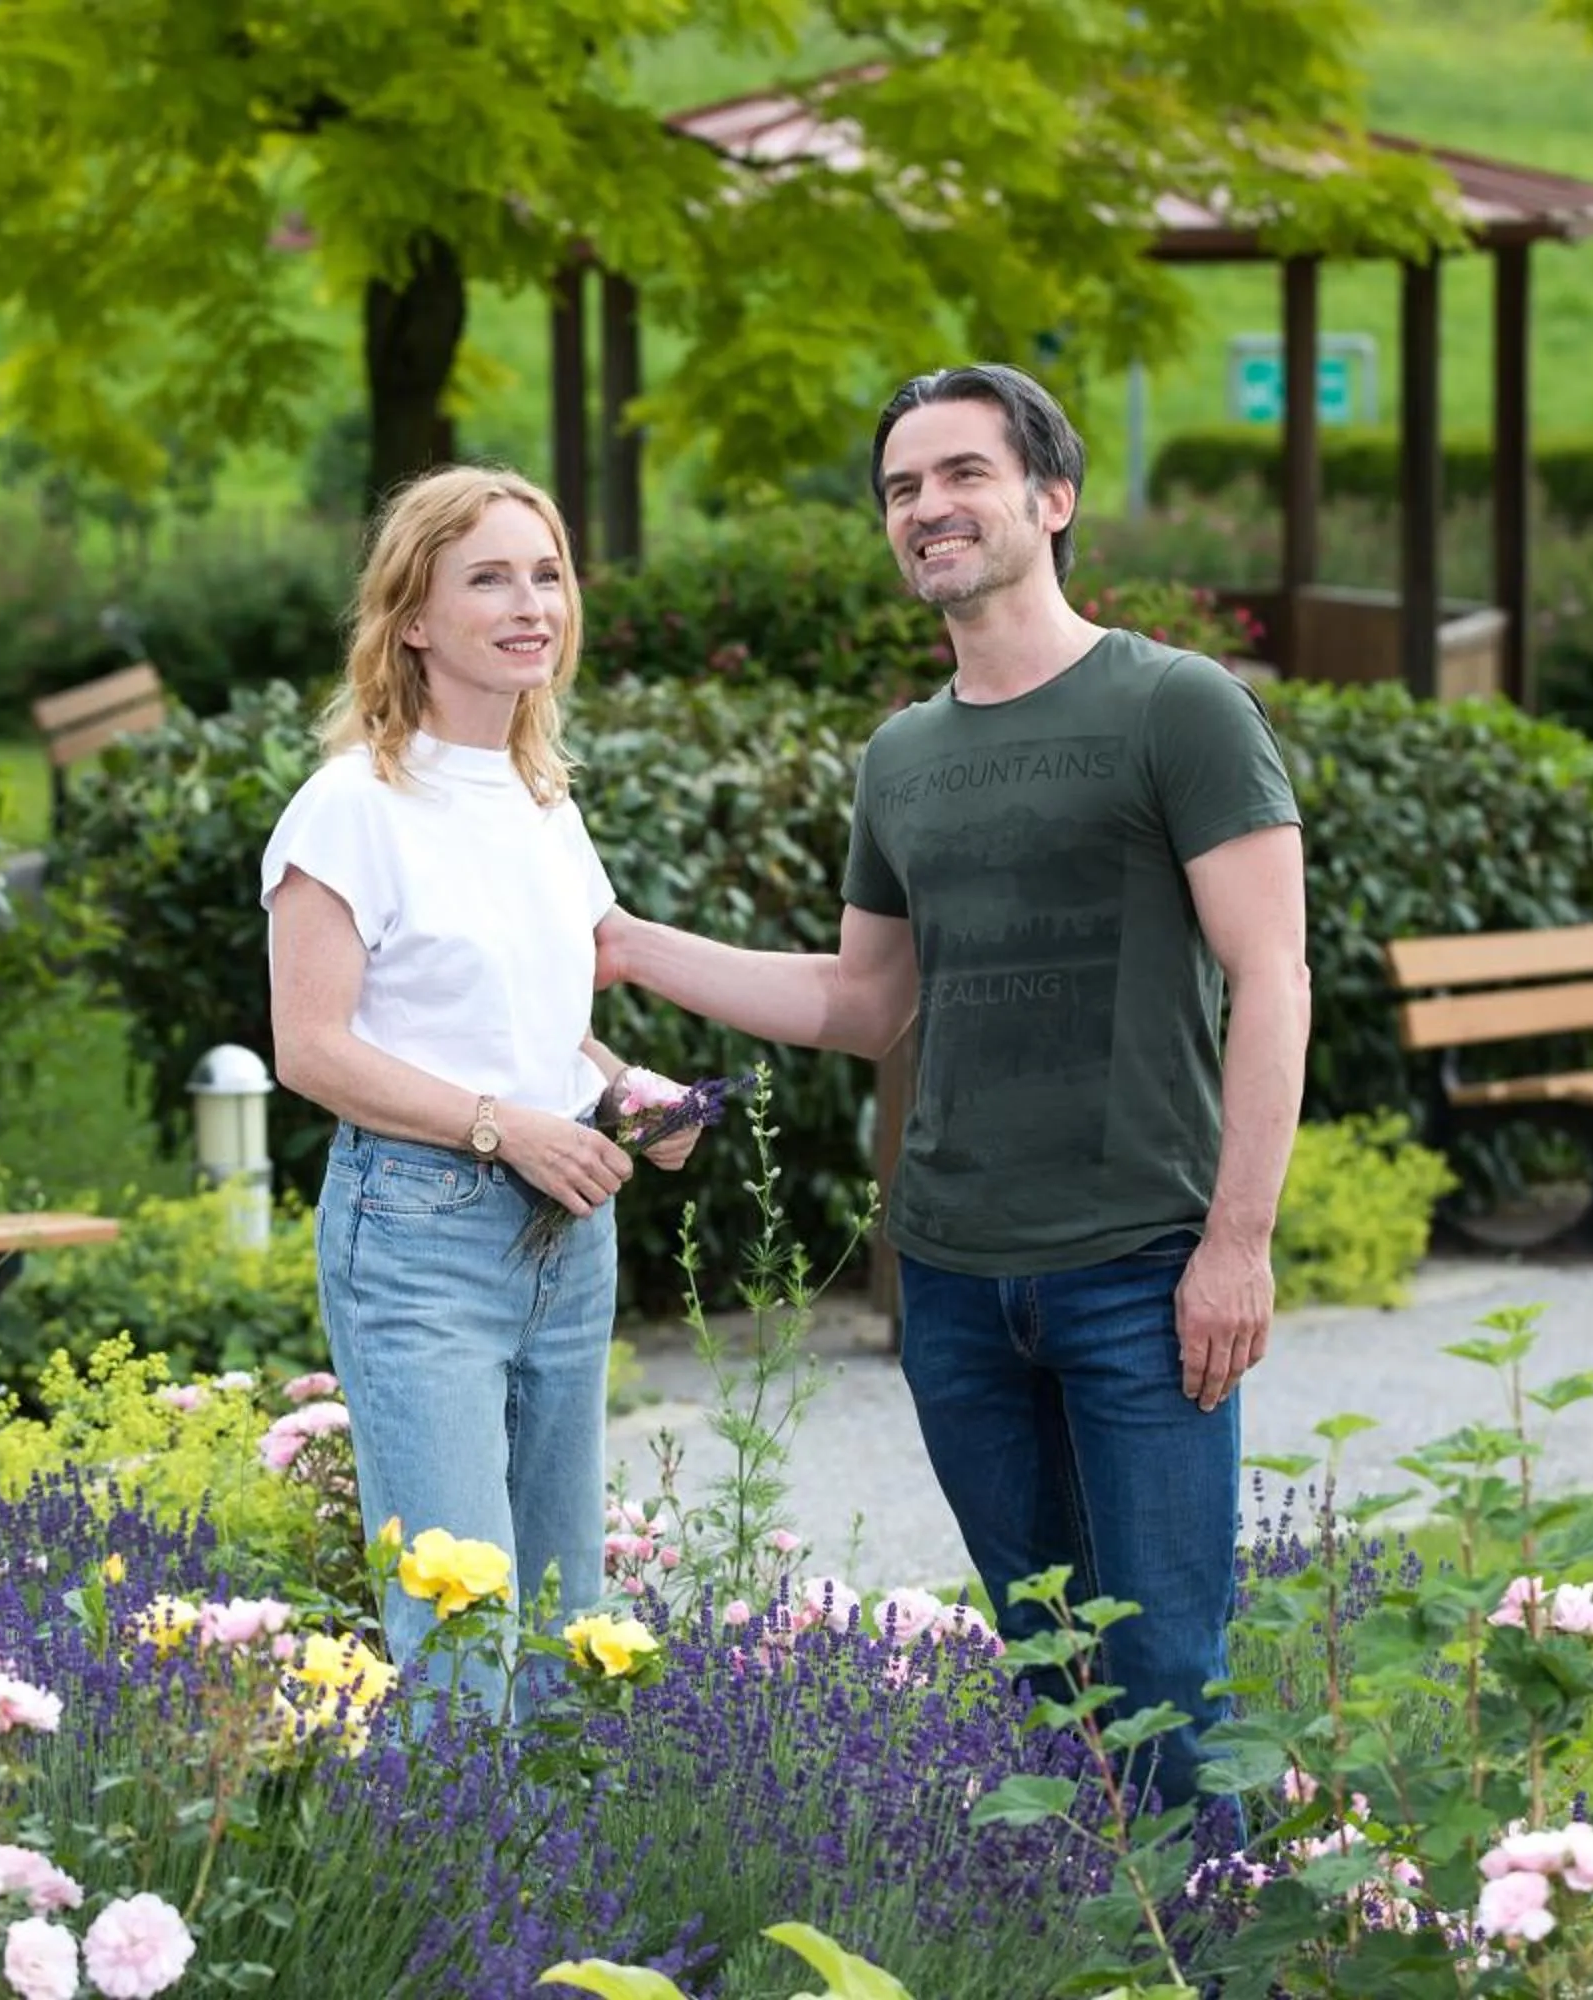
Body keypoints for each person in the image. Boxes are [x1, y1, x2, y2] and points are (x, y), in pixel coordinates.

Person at [594, 365, 1309, 1806]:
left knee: (1169, 1676)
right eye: (902, 488)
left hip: (1141, 1271)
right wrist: (623, 945)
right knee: (1052, 1684)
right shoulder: (902, 758)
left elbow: (1274, 978)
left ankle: (1213, 1965)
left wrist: (1238, 1245)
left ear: (1052, 499)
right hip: (958, 1289)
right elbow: (866, 1002)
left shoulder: (1179, 708)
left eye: (962, 474)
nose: (929, 508)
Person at [261, 464, 699, 1716]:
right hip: (419, 1230)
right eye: (490, 578)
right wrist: (507, 1128)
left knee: (566, 1628)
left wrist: (627, 1087)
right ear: (411, 616)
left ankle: (564, 1916)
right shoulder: (350, 808)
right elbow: (312, 1047)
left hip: (567, 1232)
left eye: (547, 573)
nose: (531, 604)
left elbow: (535, 1020)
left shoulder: (538, 796)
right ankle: (450, 1908)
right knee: (458, 1632)